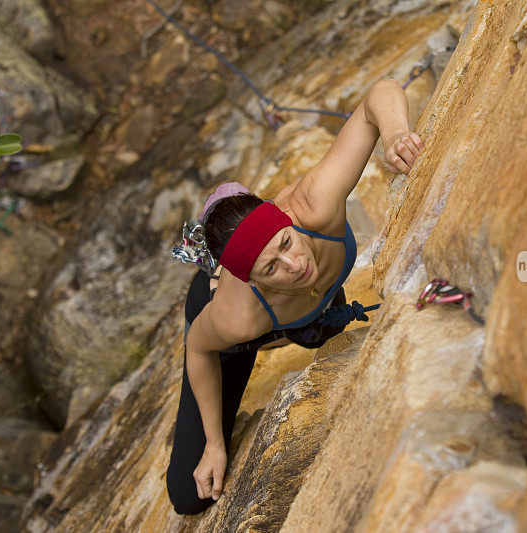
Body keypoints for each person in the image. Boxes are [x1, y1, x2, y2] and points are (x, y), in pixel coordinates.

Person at [165, 78, 424, 515]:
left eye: (285, 243)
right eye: (271, 269)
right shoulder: (237, 316)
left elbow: (375, 97)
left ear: (286, 220)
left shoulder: (314, 205)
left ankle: (308, 323)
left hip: (296, 306)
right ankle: (294, 325)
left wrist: (396, 133)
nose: (294, 264)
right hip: (243, 322)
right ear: (254, 282)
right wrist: (214, 444)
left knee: (321, 330)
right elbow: (198, 347)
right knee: (188, 497)